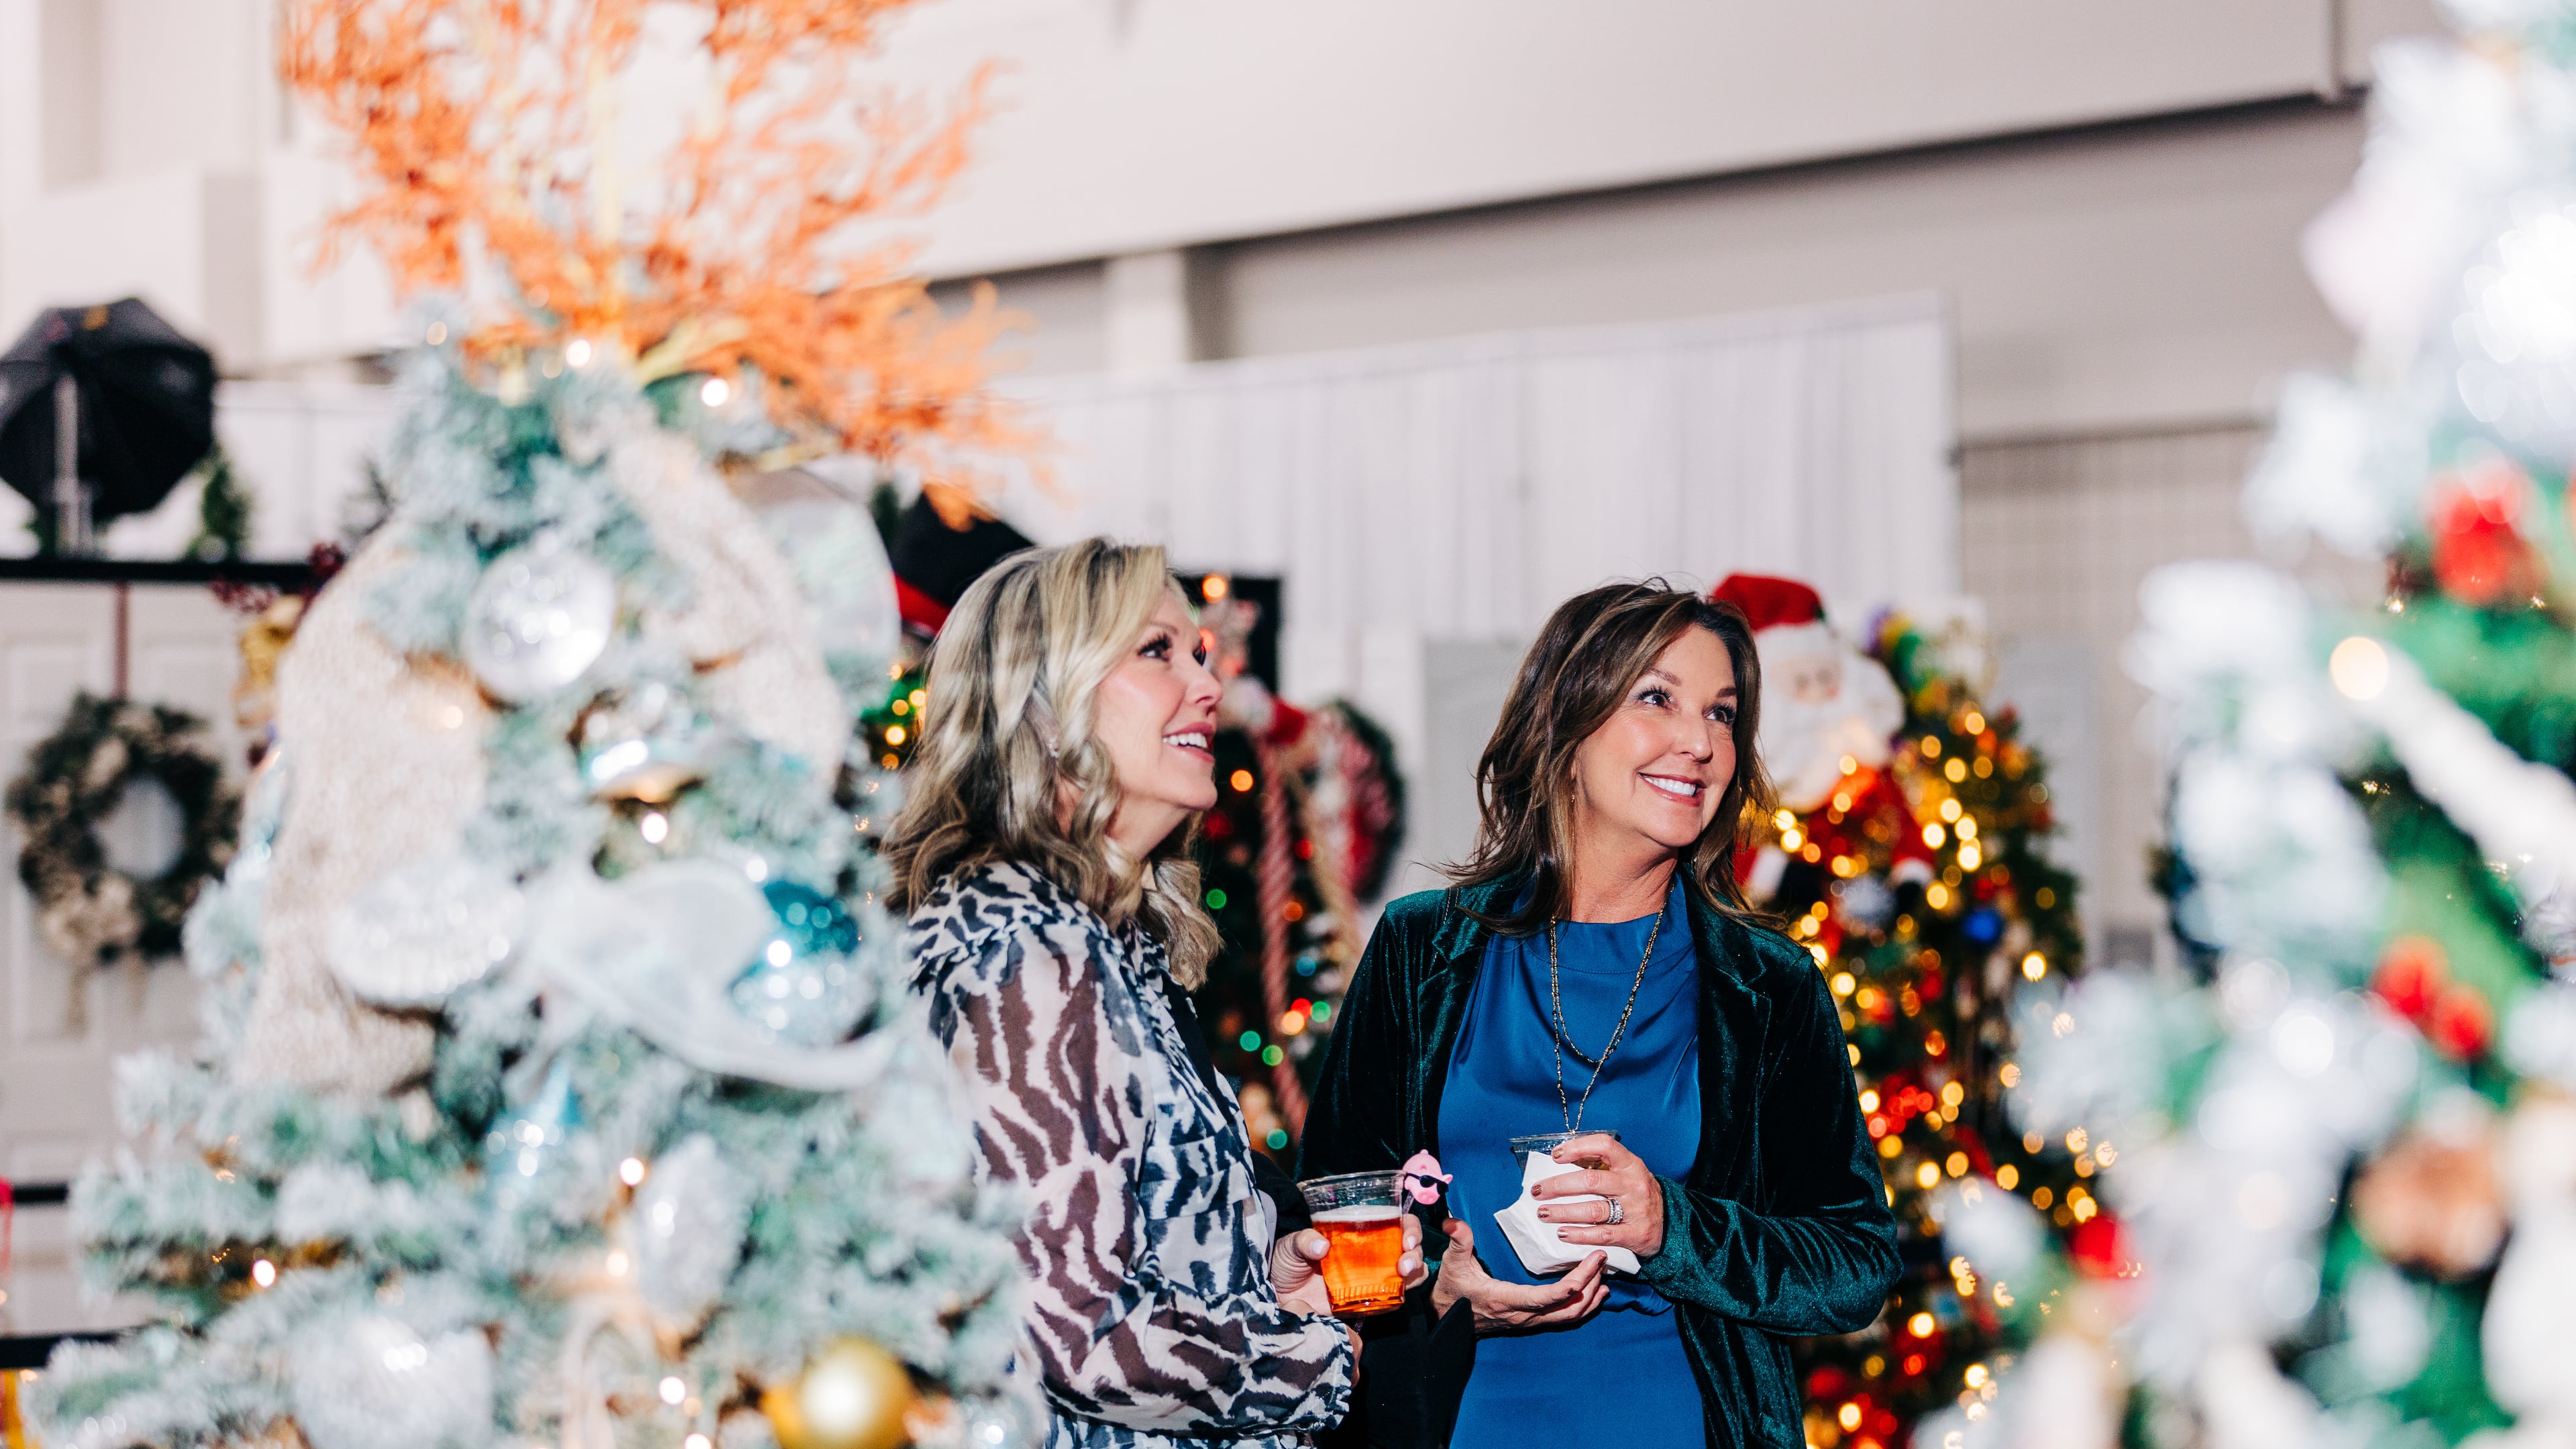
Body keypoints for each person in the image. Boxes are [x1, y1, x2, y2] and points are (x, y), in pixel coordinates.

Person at [1299, 580, 1901, 1449]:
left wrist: (1673, 1227)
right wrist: (1434, 1288)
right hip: (1452, 1424)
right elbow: (1332, 1210)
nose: (1699, 743)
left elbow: (1854, 1265)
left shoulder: (1768, 988)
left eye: (1724, 714)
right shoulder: (1421, 950)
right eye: (1657, 698)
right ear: (1567, 728)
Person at [888, 538, 1425, 1449]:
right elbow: (1070, 1336)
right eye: (1157, 651)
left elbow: (1101, 1245)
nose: (1207, 686)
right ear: (1045, 705)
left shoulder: (1102, 951)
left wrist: (1265, 1271)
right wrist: (1320, 1360)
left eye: (1197, 654)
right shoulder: (1033, 959)